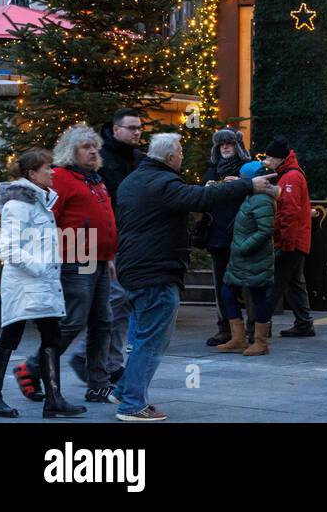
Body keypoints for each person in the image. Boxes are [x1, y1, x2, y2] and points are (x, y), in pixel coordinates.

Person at [112, 133, 273, 421]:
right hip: (155, 271)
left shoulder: (133, 180)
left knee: (142, 337)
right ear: (170, 157)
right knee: (152, 340)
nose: (183, 156)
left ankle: (125, 389)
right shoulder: (163, 182)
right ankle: (132, 404)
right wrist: (248, 186)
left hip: (134, 267)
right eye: (181, 152)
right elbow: (200, 198)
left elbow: (193, 195)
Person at [15, 126, 117, 407]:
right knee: (74, 320)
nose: (93, 151)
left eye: (95, 146)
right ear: (71, 151)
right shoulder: (61, 177)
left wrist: (108, 257)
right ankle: (32, 368)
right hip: (77, 257)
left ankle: (98, 384)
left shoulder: (94, 179)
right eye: (86, 147)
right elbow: (47, 219)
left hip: (97, 258)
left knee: (103, 322)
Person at [0, 149, 85, 419]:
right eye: (47, 168)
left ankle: (54, 399)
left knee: (52, 337)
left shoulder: (40, 201)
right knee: (10, 338)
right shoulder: (18, 205)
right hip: (25, 287)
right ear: (31, 173)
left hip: (41, 286)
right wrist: (41, 269)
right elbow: (8, 248)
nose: (53, 172)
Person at [96, 107, 144, 386]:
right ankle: (94, 362)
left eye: (139, 128)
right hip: (104, 243)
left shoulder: (139, 158)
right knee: (108, 303)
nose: (137, 132)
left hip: (129, 239)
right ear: (116, 129)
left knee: (121, 303)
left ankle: (112, 364)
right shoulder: (100, 159)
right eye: (131, 128)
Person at [216, 161, 278, 357]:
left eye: (244, 178)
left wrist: (244, 247)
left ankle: (260, 342)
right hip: (242, 259)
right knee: (227, 292)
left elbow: (265, 229)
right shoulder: (251, 195)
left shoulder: (261, 199)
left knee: (259, 298)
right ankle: (239, 338)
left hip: (254, 258)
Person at [199, 128, 251, 348]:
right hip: (218, 236)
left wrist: (239, 183)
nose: (226, 147)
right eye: (222, 145)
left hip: (243, 236)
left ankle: (252, 328)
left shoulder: (248, 169)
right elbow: (201, 197)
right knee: (221, 284)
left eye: (229, 143)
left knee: (246, 285)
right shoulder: (212, 169)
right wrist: (209, 188)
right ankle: (225, 328)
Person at [262, 138, 314, 339]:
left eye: (269, 158)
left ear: (278, 158)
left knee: (275, 284)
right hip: (297, 238)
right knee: (294, 282)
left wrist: (283, 241)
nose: (267, 162)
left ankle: (260, 326)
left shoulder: (290, 178)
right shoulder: (290, 174)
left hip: (291, 240)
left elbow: (288, 212)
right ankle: (304, 323)